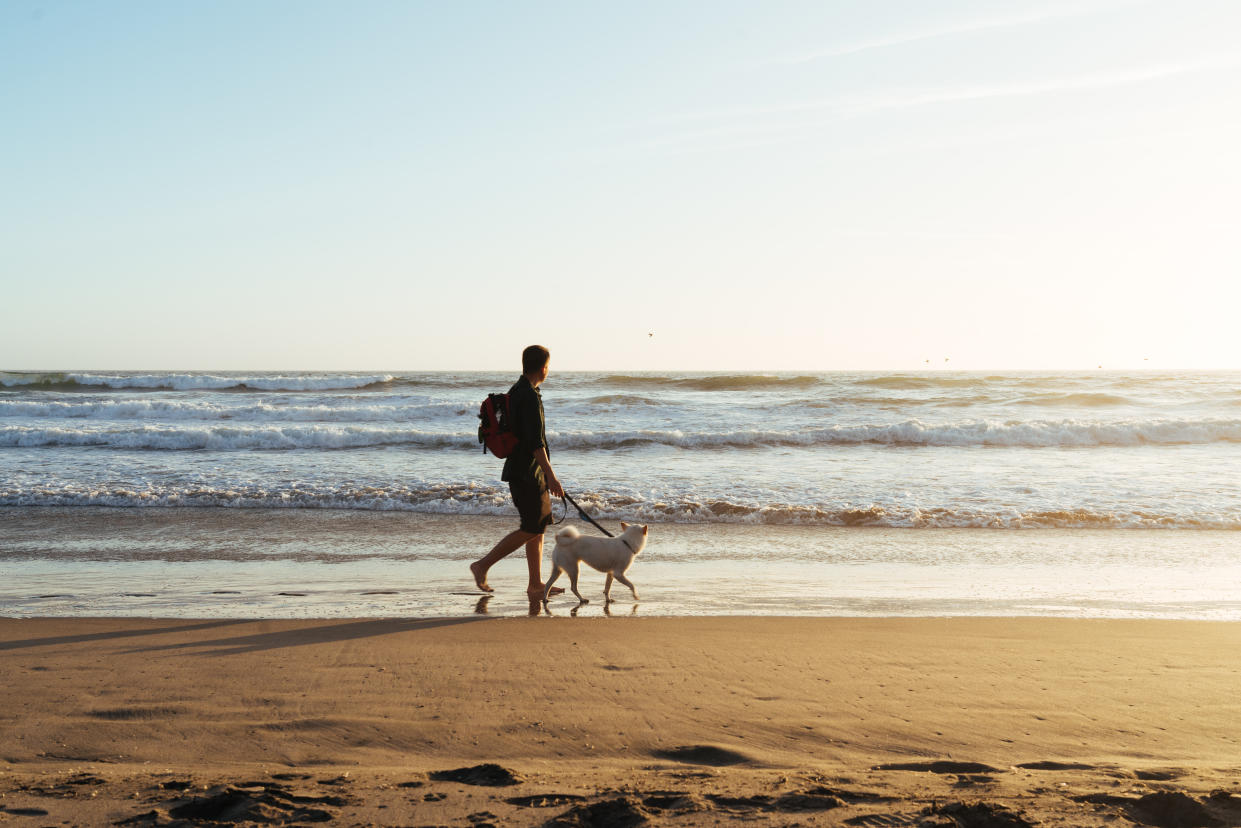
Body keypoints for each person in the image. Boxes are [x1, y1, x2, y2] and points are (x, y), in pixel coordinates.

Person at [470, 345, 566, 598]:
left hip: (527, 471)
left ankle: (536, 583)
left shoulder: (519, 390)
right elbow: (535, 442)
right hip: (526, 472)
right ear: (544, 367)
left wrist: (544, 473)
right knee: (531, 527)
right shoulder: (529, 396)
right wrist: (551, 475)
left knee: (538, 526)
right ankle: (482, 565)